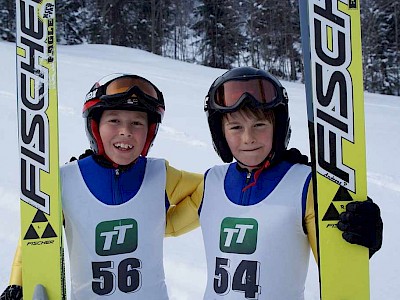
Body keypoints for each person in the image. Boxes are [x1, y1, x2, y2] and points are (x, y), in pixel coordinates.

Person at [1, 73, 203, 300]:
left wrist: (165, 224)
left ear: (149, 132)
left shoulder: (161, 175)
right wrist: (18, 284)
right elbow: (34, 238)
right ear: (95, 127)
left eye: (137, 122)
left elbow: (209, 190)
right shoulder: (64, 181)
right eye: (114, 120)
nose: (126, 131)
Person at [199, 66, 383, 299]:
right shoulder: (208, 184)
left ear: (278, 128)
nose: (248, 138)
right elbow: (154, 209)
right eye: (235, 127)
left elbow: (338, 264)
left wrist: (362, 236)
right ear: (220, 134)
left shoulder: (305, 188)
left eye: (260, 125)